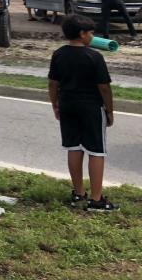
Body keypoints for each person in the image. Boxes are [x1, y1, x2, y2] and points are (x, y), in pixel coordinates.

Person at [48, 14, 118, 211]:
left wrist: (55, 104)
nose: (92, 36)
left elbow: (53, 83)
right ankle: (96, 199)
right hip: (91, 107)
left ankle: (78, 193)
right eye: (90, 33)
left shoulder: (59, 54)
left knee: (74, 147)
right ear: (82, 34)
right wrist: (110, 110)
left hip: (67, 104)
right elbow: (104, 87)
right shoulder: (94, 56)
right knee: (96, 150)